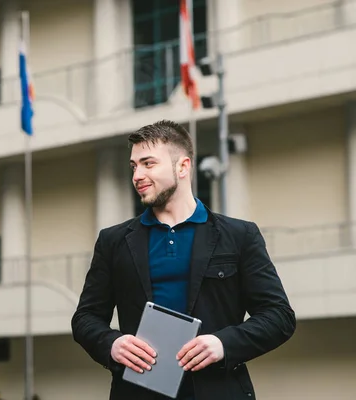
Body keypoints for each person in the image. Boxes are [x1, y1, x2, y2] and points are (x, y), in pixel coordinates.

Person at [71, 120, 296, 400]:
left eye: (148, 164)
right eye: (133, 166)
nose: (137, 175)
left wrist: (222, 343)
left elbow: (279, 317)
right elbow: (85, 318)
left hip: (218, 390)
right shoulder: (112, 241)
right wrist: (112, 344)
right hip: (138, 392)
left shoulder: (240, 235)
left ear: (183, 166)